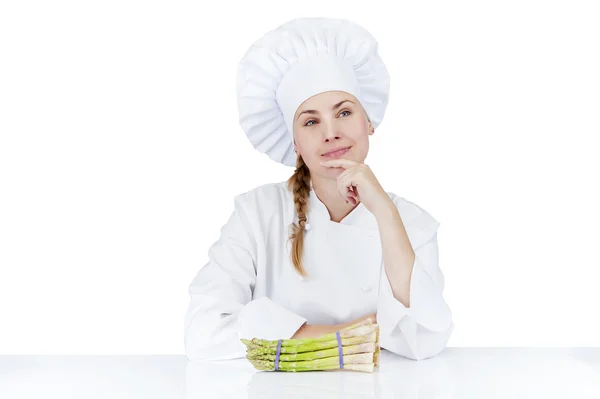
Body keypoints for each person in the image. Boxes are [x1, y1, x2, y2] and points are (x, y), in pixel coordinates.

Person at [184, 17, 454, 362]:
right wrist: (343, 339)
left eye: (344, 112)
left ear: (368, 121)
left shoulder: (411, 221)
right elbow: (203, 330)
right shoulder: (257, 214)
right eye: (311, 121)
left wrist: (385, 212)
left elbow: (425, 335)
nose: (331, 133)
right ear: (294, 141)